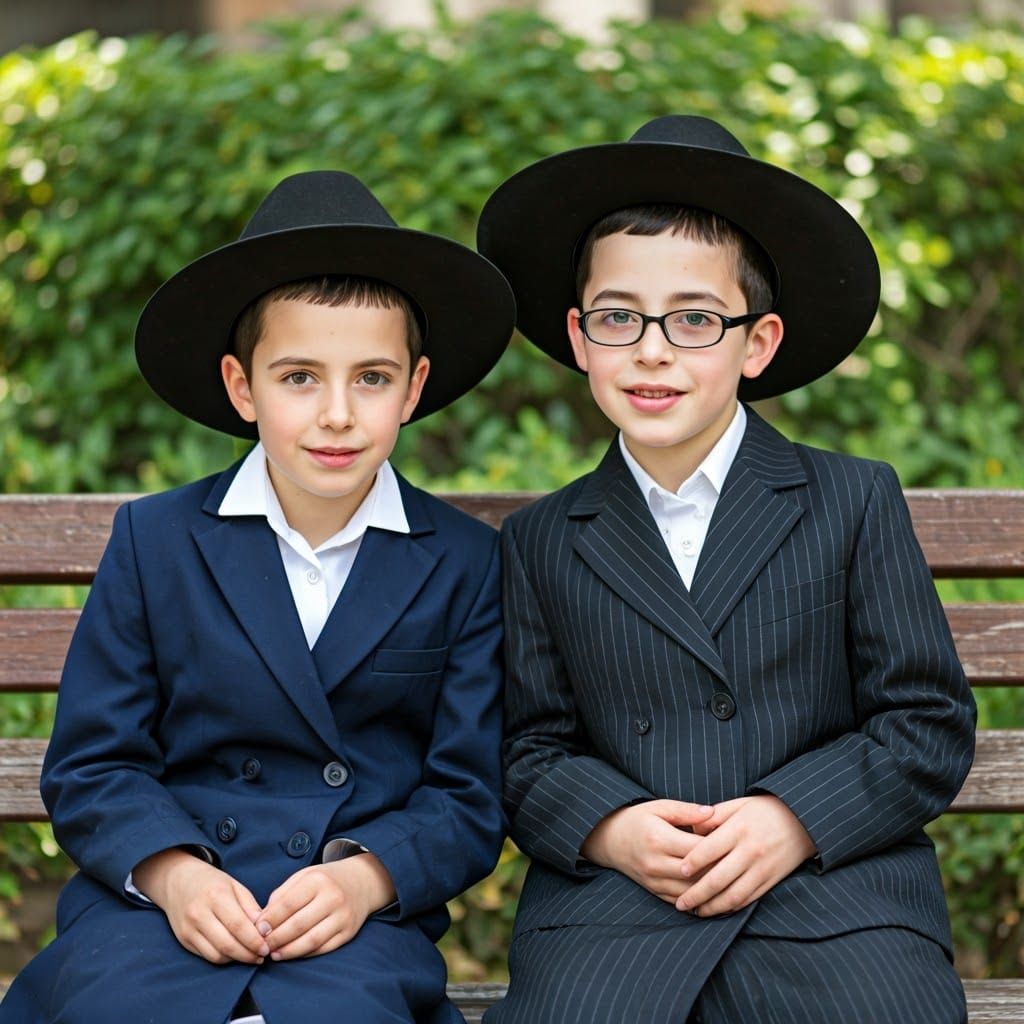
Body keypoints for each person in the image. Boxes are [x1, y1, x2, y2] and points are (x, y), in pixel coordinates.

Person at [475, 115, 975, 1023]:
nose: (653, 349)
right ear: (581, 338)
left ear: (758, 342)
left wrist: (793, 817)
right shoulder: (544, 539)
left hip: (830, 904)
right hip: (618, 915)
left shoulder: (851, 500)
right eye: (619, 317)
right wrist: (614, 829)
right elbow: (526, 748)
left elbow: (926, 721)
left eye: (696, 320)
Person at [1, 170, 515, 1024]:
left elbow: (468, 793)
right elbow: (95, 764)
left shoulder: (463, 562)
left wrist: (366, 877)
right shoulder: (157, 541)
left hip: (349, 924)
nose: (338, 414)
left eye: (373, 378)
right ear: (244, 388)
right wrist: (172, 873)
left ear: (415, 387)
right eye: (300, 377)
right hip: (157, 916)